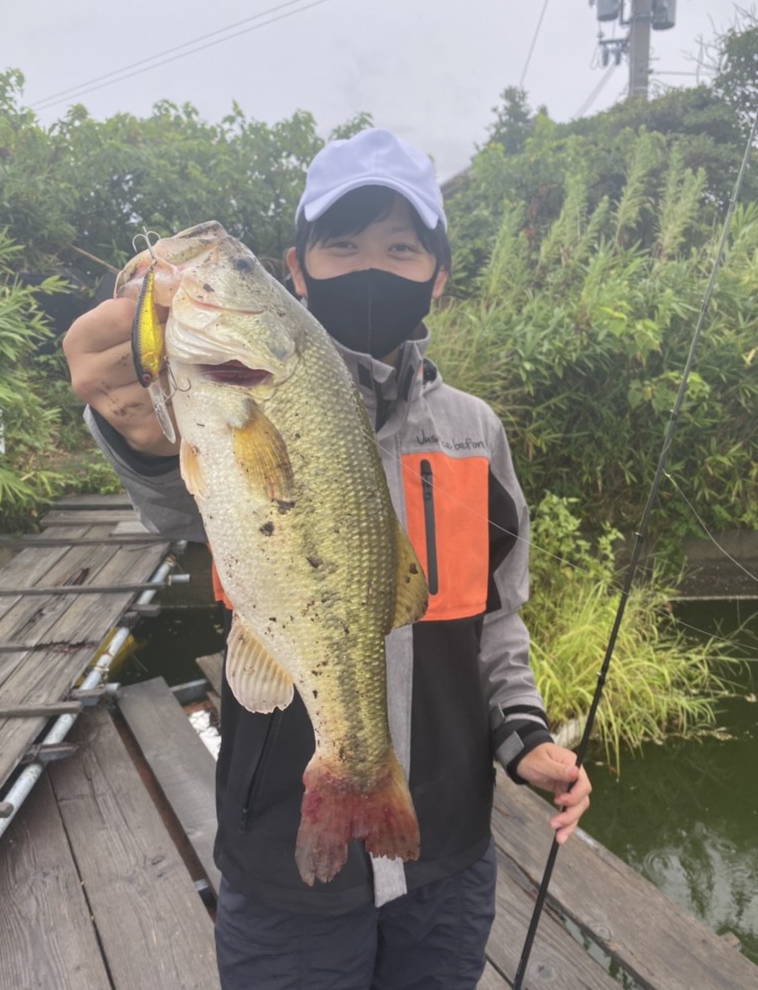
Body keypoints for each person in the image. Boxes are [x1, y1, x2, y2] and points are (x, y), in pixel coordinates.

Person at [64, 127, 591, 990]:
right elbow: (174, 499)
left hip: (448, 848)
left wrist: (523, 734)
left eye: (401, 247)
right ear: (295, 272)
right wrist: (135, 425)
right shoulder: (216, 395)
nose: (371, 266)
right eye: (342, 245)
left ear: (439, 273)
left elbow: (497, 616)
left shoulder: (475, 432)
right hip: (284, 854)